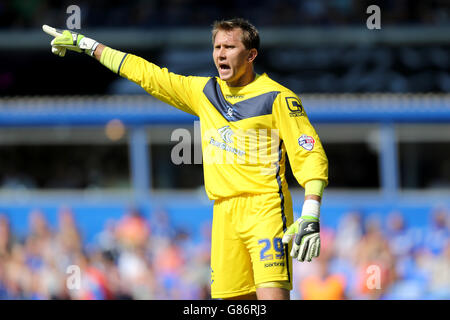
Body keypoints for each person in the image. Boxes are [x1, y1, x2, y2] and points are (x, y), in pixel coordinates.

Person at [43, 18, 328, 300]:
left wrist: (311, 212)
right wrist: (88, 44)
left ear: (251, 54)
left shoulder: (278, 97)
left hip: (265, 209)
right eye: (217, 47)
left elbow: (309, 152)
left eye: (229, 47)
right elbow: (147, 74)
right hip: (223, 213)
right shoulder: (206, 91)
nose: (220, 54)